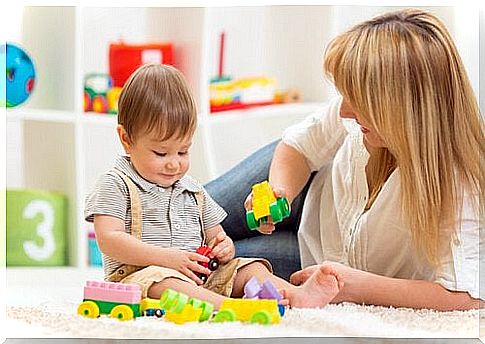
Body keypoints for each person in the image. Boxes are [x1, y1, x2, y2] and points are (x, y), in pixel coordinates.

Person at [209, 8, 484, 311]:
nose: (344, 111)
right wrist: (280, 190)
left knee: (212, 265)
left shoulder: (459, 183)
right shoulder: (354, 118)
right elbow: (299, 147)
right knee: (179, 210)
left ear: (402, 107)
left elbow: (466, 295)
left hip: (313, 253)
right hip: (305, 190)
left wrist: (352, 285)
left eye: (358, 101)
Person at [85, 63, 343, 310]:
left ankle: (296, 295)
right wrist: (167, 258)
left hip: (201, 276)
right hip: (142, 276)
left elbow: (217, 235)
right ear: (126, 140)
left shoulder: (193, 190)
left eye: (183, 151)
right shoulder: (116, 184)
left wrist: (224, 246)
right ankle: (230, 307)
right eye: (161, 153)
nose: (174, 164)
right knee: (166, 283)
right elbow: (109, 240)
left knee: (249, 268)